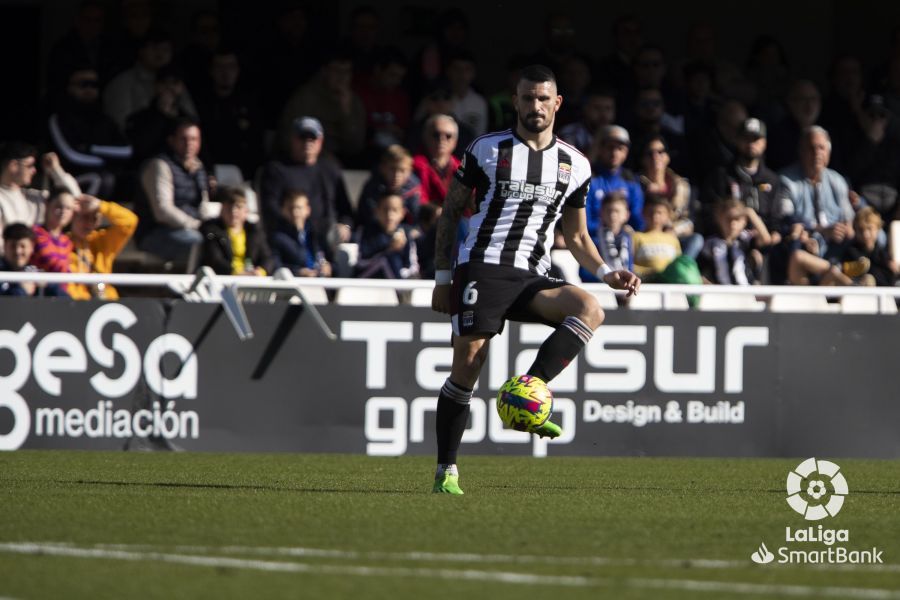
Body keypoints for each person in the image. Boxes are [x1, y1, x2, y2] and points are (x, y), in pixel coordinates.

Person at [430, 65, 640, 495]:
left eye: (544, 99)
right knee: (467, 366)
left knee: (589, 308)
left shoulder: (575, 164)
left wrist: (604, 272)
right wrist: (441, 277)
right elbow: (451, 212)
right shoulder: (486, 150)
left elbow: (578, 236)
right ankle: (445, 471)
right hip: (483, 268)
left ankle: (526, 391)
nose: (535, 106)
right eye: (527, 98)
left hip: (532, 273)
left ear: (557, 103)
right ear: (516, 101)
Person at [258, 116, 354, 257]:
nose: (307, 143)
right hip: (291, 240)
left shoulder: (331, 169)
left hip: (329, 240)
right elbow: (270, 210)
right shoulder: (276, 170)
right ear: (293, 139)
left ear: (320, 141)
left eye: (312, 138)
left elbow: (346, 210)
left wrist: (345, 226)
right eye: (302, 138)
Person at [135, 117, 210, 264]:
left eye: (194, 139)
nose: (189, 144)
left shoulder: (198, 167)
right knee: (198, 242)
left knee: (216, 238)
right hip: (155, 233)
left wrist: (210, 226)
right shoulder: (159, 166)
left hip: (190, 229)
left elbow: (203, 204)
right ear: (171, 140)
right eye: (184, 139)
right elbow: (163, 211)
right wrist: (195, 225)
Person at [779, 126, 855, 261]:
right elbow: (786, 219)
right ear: (801, 152)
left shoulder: (837, 180)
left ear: (829, 153)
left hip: (834, 246)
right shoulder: (786, 181)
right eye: (811, 148)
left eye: (821, 148)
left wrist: (844, 230)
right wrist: (822, 230)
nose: (816, 153)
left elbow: (847, 219)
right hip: (803, 243)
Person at [0, 145, 81, 245]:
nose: (34, 170)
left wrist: (55, 170)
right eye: (29, 166)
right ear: (13, 165)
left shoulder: (33, 197)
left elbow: (76, 199)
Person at [67, 194, 138, 300]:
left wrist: (101, 206)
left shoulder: (101, 241)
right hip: (75, 304)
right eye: (85, 217)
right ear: (73, 216)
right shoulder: (62, 243)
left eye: (94, 218)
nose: (89, 224)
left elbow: (129, 221)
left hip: (105, 301)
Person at [198, 186, 273, 277]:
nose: (234, 211)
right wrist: (237, 273)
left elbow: (267, 258)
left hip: (252, 278)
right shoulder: (211, 230)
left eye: (239, 207)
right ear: (222, 209)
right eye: (229, 207)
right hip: (223, 279)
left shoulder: (254, 231)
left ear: (246, 211)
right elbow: (215, 260)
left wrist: (261, 271)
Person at [586, 124, 645, 233]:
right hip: (593, 240)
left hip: (625, 241)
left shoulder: (631, 180)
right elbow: (583, 221)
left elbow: (638, 219)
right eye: (610, 147)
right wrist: (609, 228)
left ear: (626, 153)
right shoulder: (588, 178)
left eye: (620, 149)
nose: (614, 153)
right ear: (600, 149)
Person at [697, 198, 762, 285]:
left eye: (737, 219)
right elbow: (698, 270)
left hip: (745, 290)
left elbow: (766, 239)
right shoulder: (711, 243)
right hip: (723, 293)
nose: (732, 223)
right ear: (719, 218)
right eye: (728, 219)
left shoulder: (744, 239)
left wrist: (751, 213)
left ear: (744, 221)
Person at [355, 192, 419, 279]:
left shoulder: (406, 234)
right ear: (376, 211)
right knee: (389, 259)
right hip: (369, 281)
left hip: (398, 283)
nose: (390, 215)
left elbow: (412, 267)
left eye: (395, 210)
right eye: (385, 210)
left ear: (402, 213)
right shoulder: (366, 232)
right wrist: (389, 250)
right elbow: (361, 262)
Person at [356, 144, 421, 230]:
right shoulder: (372, 188)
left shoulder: (413, 190)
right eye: (392, 169)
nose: (396, 175)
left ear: (409, 171)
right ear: (383, 168)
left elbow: (416, 220)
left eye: (402, 170)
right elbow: (365, 217)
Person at [269, 190, 332, 278]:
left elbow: (334, 264)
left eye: (299, 208)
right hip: (296, 285)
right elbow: (274, 267)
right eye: (291, 208)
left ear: (308, 210)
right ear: (283, 210)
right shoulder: (278, 238)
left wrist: (329, 268)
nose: (295, 212)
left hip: (322, 283)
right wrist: (298, 272)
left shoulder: (317, 235)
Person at [578, 191, 633, 282]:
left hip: (623, 290)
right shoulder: (592, 239)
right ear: (601, 213)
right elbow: (584, 272)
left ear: (626, 215)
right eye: (609, 211)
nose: (613, 215)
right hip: (599, 288)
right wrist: (608, 277)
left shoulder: (628, 239)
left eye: (617, 211)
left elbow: (630, 268)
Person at [0, 223, 67, 297]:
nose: (18, 251)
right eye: (13, 246)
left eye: (23, 246)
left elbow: (67, 301)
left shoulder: (35, 273)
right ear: (5, 246)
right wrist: (22, 290)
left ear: (31, 247)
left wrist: (47, 285)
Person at [838, 207, 898, 286]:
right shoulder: (850, 252)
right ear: (855, 230)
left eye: (869, 228)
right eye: (860, 229)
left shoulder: (883, 255)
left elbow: (889, 280)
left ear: (878, 228)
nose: (865, 234)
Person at [31, 189, 77, 291]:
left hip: (63, 297)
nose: (63, 212)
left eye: (68, 208)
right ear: (47, 205)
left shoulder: (67, 241)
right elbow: (53, 266)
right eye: (58, 206)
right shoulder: (34, 233)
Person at [412, 114, 462, 206]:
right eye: (436, 134)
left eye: (448, 136)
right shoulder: (412, 166)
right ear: (425, 137)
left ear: (455, 142)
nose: (442, 140)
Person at [632, 196, 682, 279]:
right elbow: (629, 264)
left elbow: (678, 264)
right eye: (650, 212)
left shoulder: (672, 239)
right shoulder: (636, 237)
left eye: (659, 212)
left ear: (667, 215)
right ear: (643, 213)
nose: (655, 216)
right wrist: (650, 271)